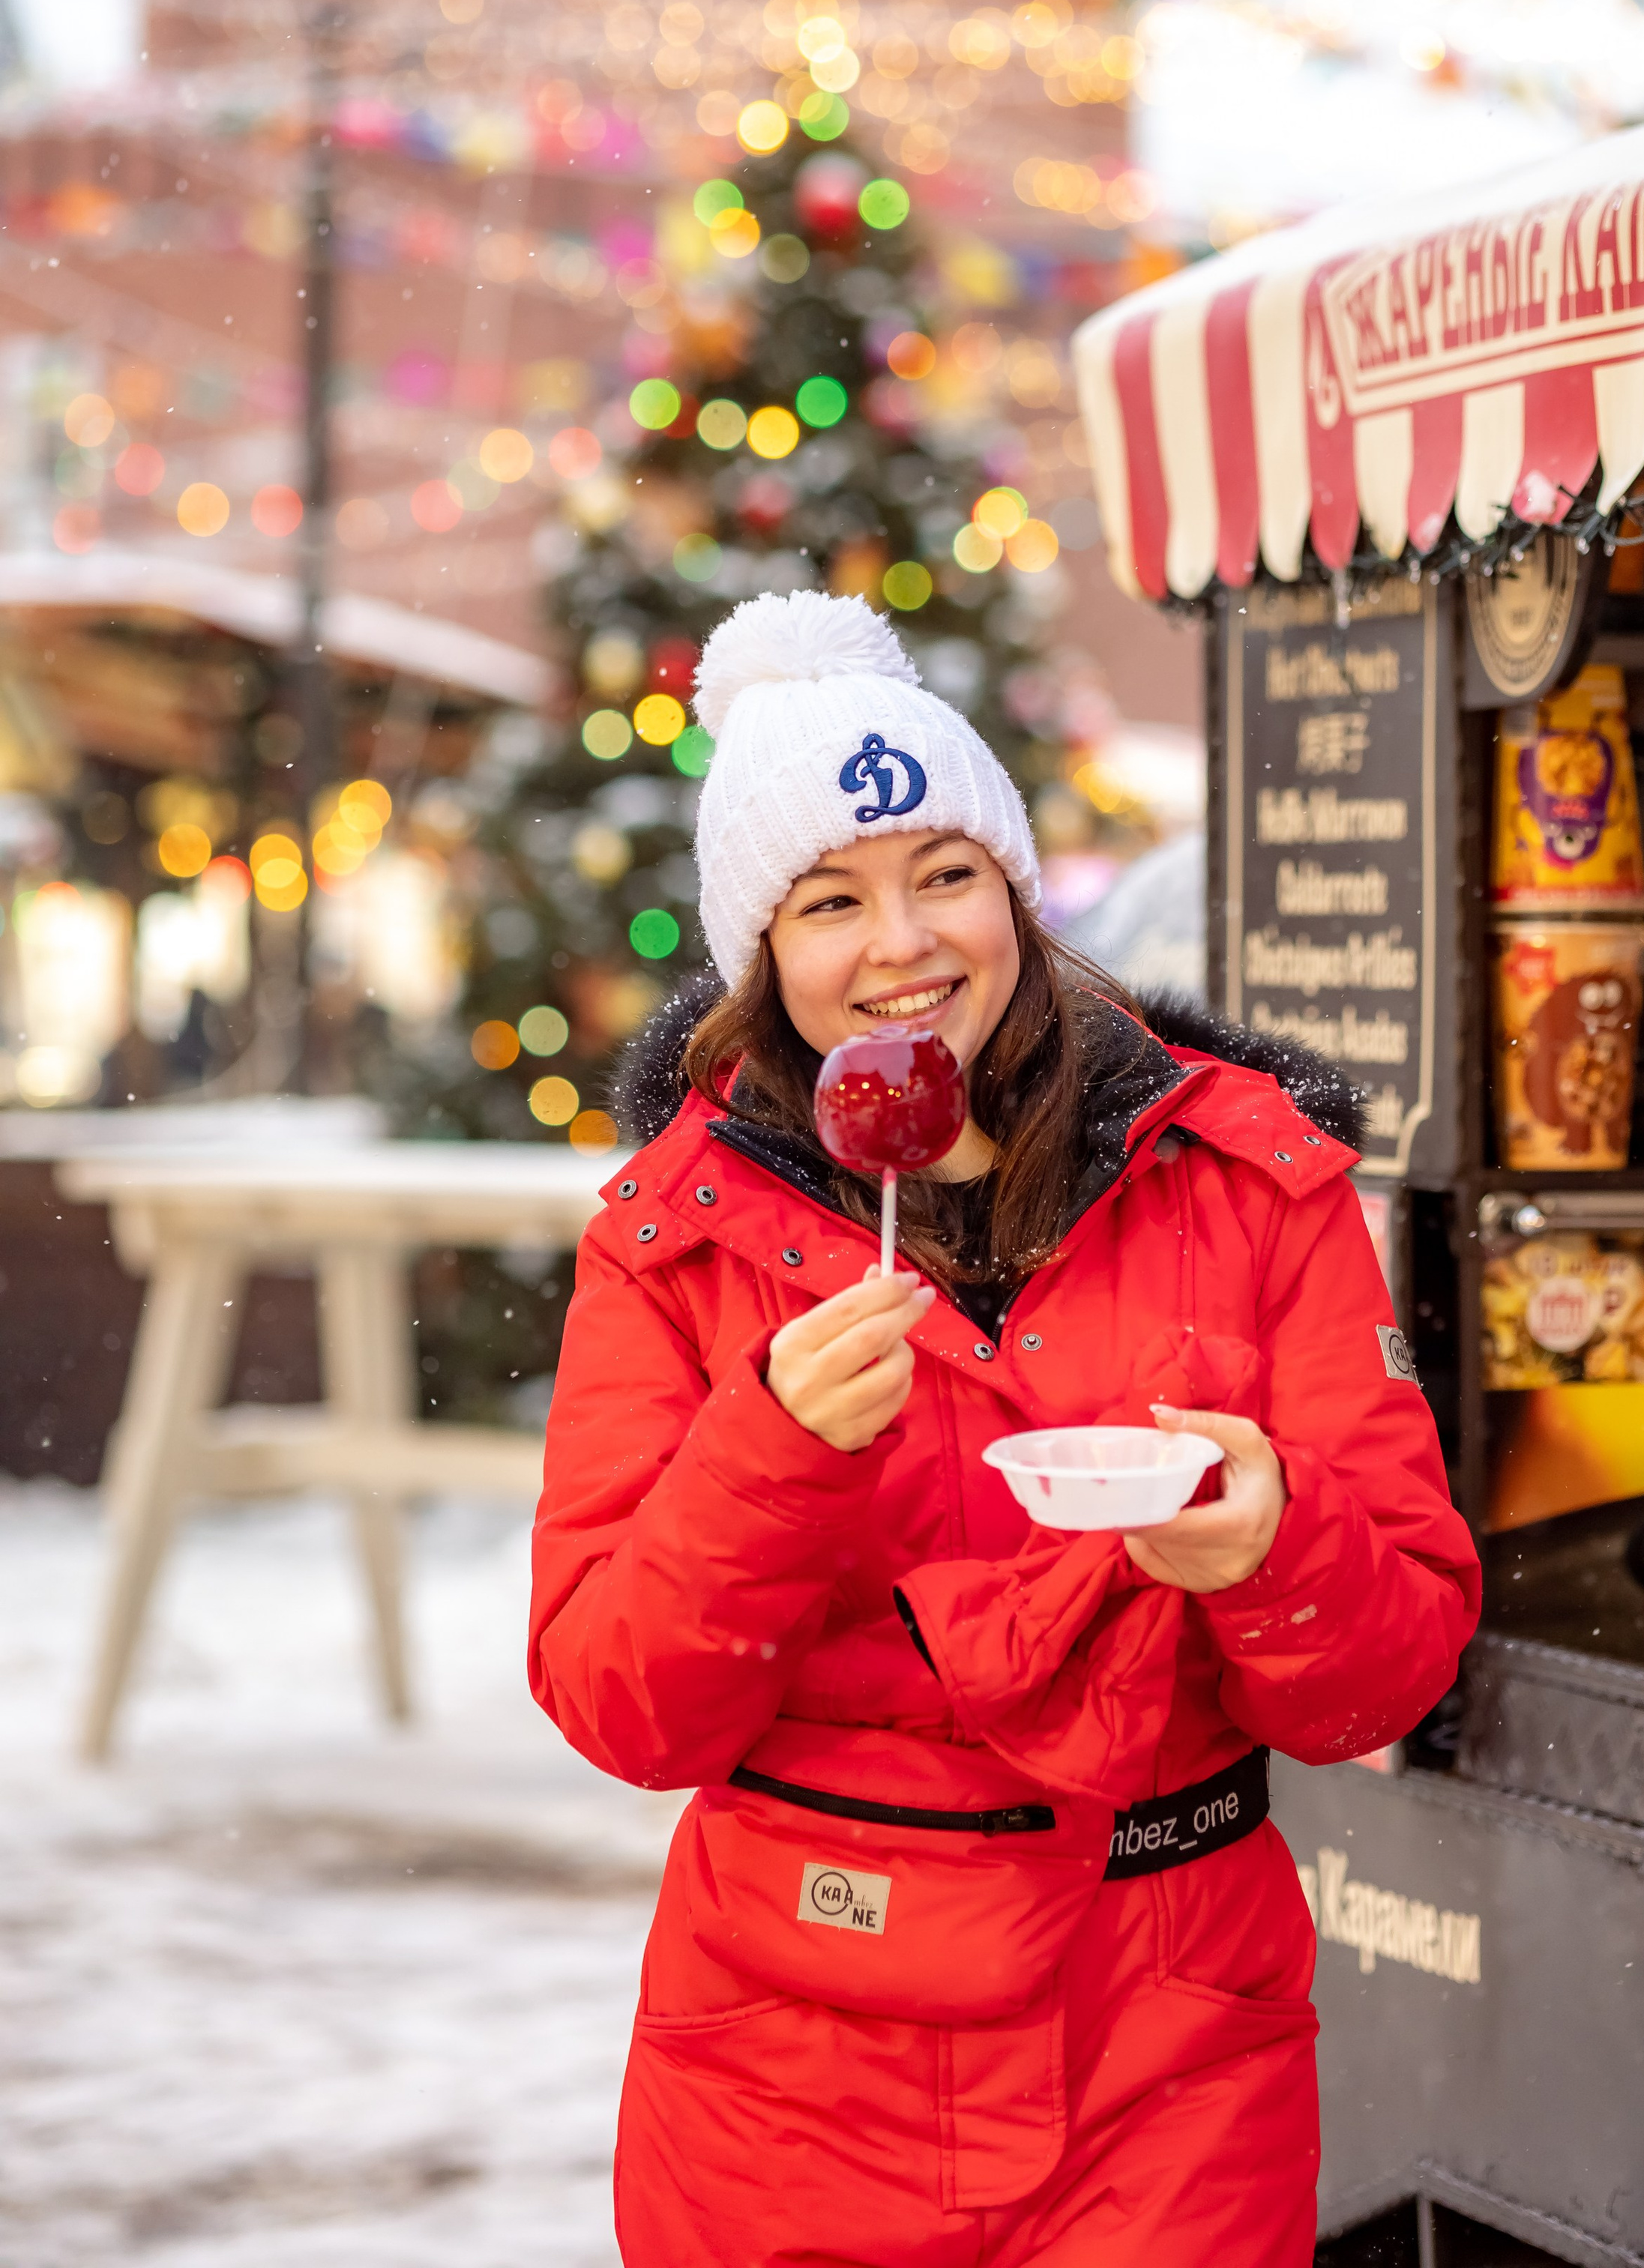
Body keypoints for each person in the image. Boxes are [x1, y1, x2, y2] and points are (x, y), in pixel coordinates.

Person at [530, 591, 1480, 2268]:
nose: (900, 945)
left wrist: (1270, 1545)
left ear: (1020, 895)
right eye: (830, 902)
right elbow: (622, 1704)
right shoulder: (672, 1240)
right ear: (761, 958)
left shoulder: (1251, 1185)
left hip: (1168, 2034)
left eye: (946, 875)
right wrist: (767, 1457)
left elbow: (1387, 1672)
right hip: (790, 2053)